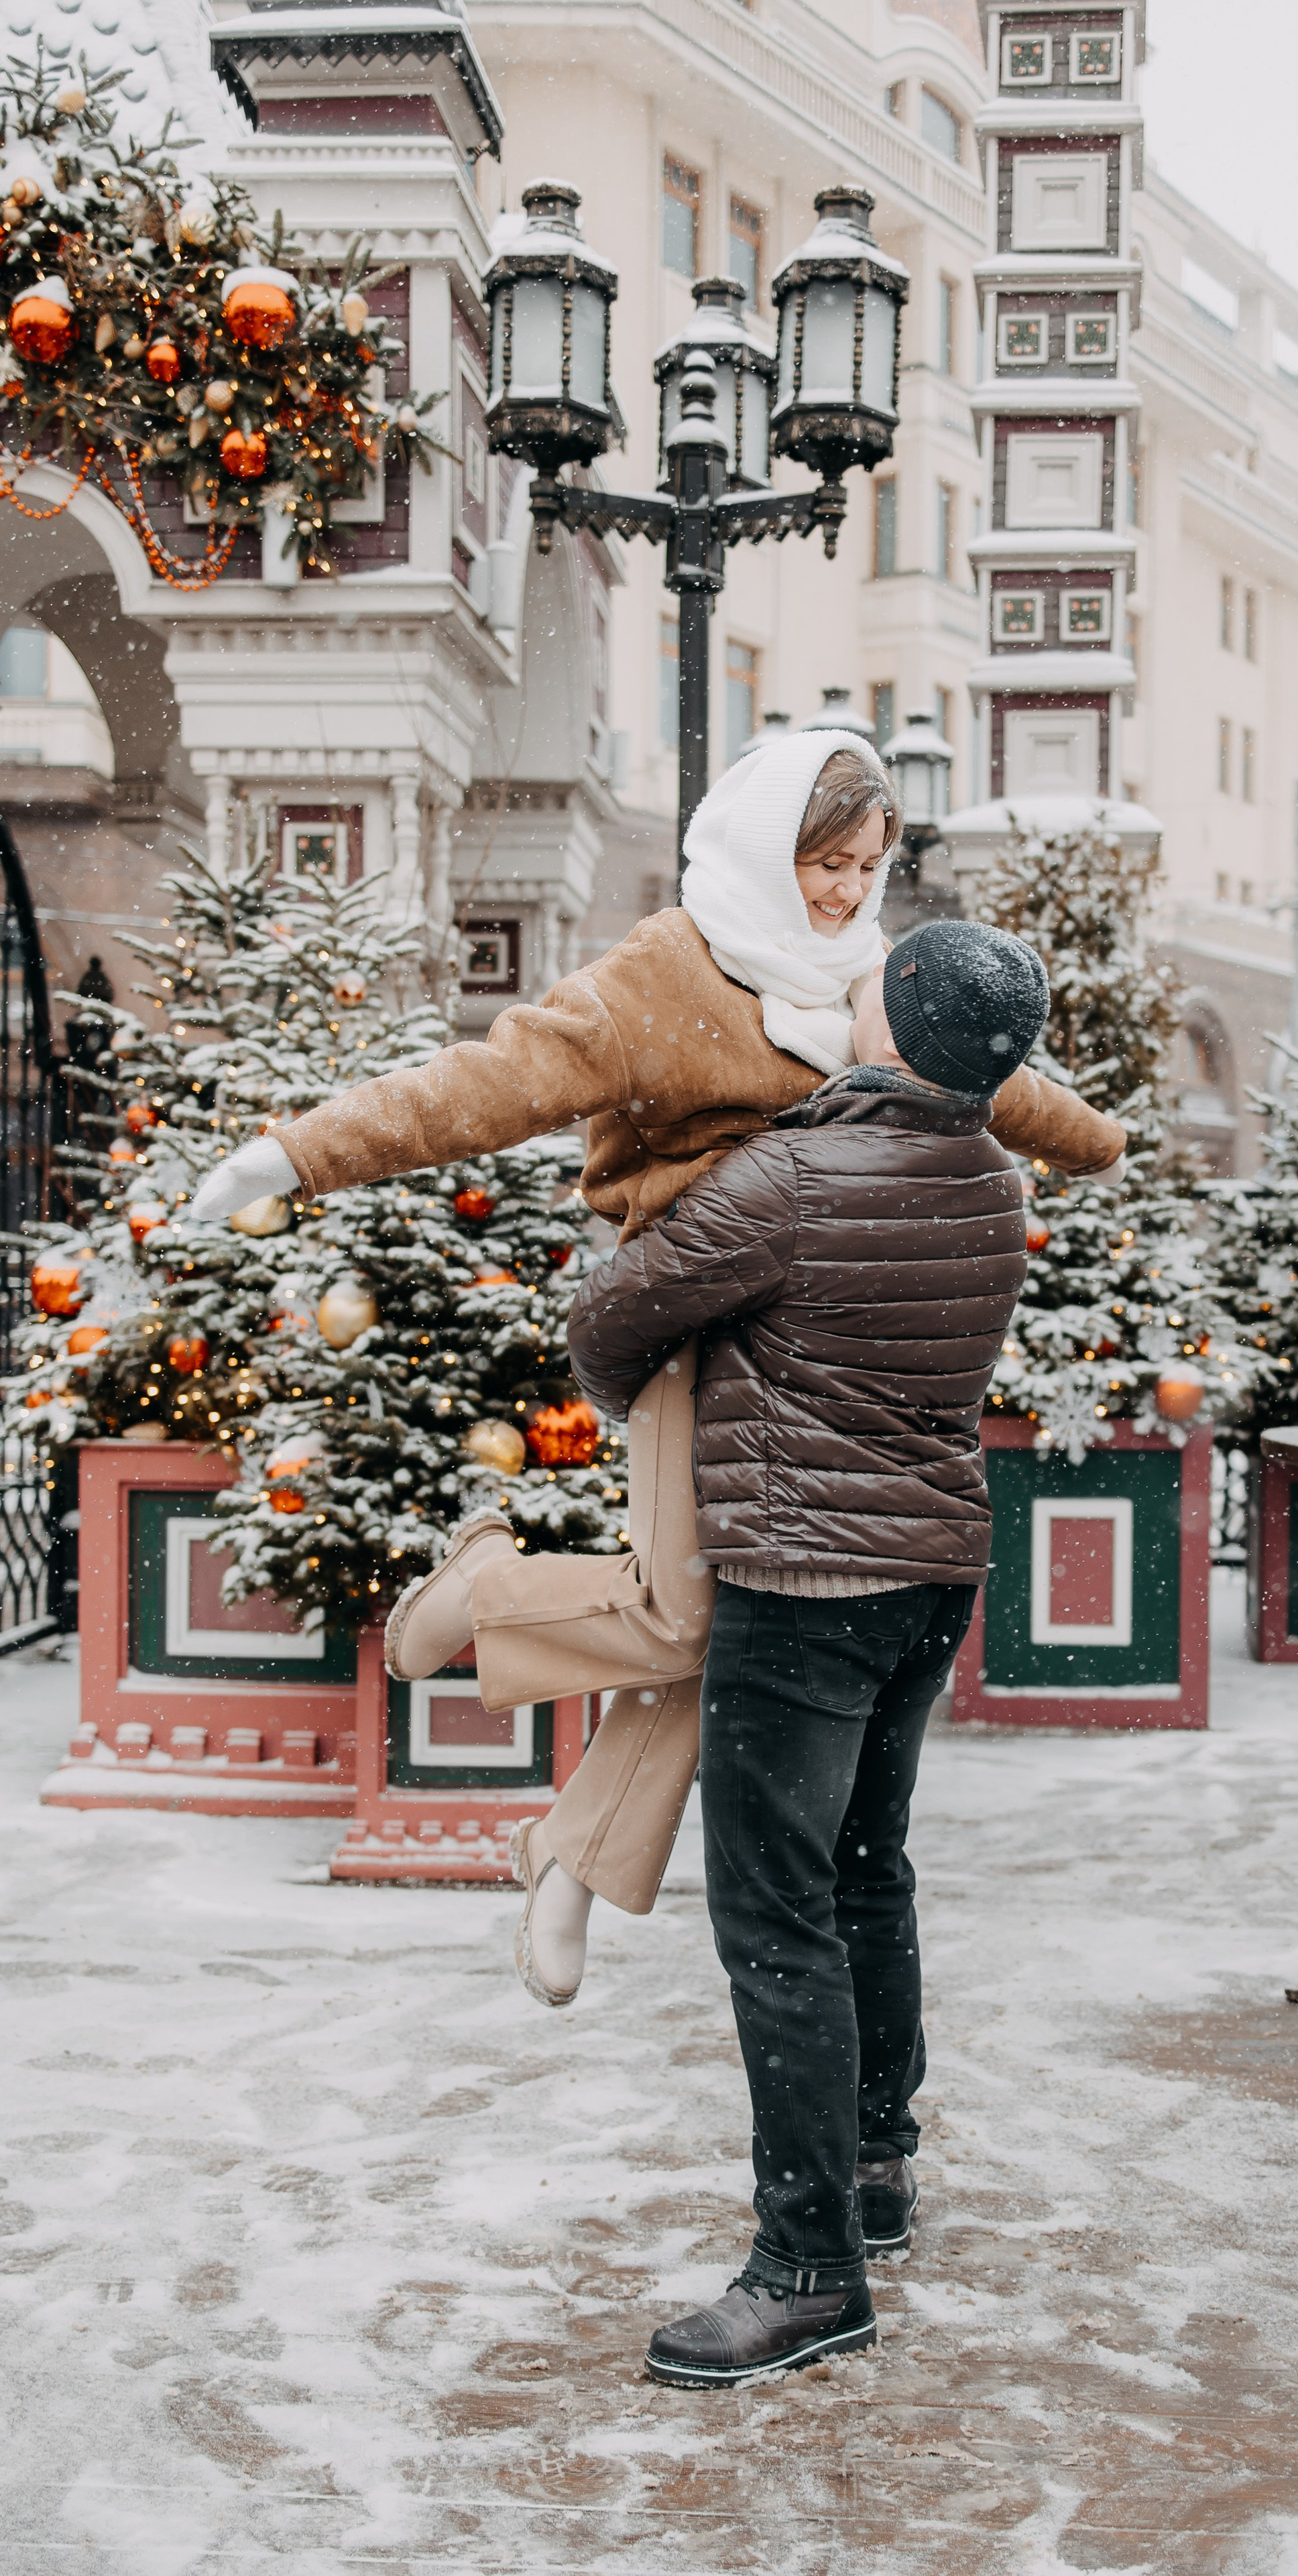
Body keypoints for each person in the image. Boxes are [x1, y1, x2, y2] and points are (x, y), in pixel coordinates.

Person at [187, 732, 1125, 2005]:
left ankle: (571, 1858)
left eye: (867, 864)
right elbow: (487, 1083)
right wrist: (296, 1156)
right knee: (691, 1618)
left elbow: (988, 1079)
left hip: (806, 1354)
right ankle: (492, 1589)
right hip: (696, 1329)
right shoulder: (665, 974)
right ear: (760, 846)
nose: (848, 891)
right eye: (824, 860)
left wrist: (1101, 1139)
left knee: (725, 1642)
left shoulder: (868, 984)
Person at [555, 915, 1046, 2386]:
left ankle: (806, 2268)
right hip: (924, 1573)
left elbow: (610, 1318)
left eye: (870, 983)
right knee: (864, 1869)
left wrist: (654, 1398)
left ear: (893, 1025)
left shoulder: (790, 1177)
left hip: (799, 1580)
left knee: (775, 1913)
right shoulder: (994, 1179)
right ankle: (877, 2164)